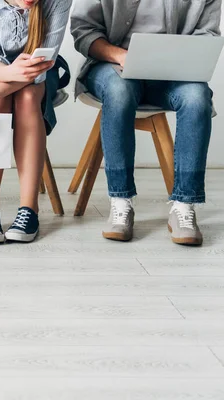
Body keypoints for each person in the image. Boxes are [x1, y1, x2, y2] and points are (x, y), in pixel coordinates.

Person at [71, 0, 221, 246]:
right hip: (113, 66)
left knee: (197, 98)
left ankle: (184, 205)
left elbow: (208, 35)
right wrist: (120, 55)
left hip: (173, 73)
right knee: (120, 93)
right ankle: (121, 201)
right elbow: (83, 30)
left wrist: (179, 60)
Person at [0, 0, 72, 244]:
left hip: (40, 70)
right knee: (1, 104)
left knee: (28, 97)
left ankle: (29, 209)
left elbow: (41, 66)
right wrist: (0, 86)